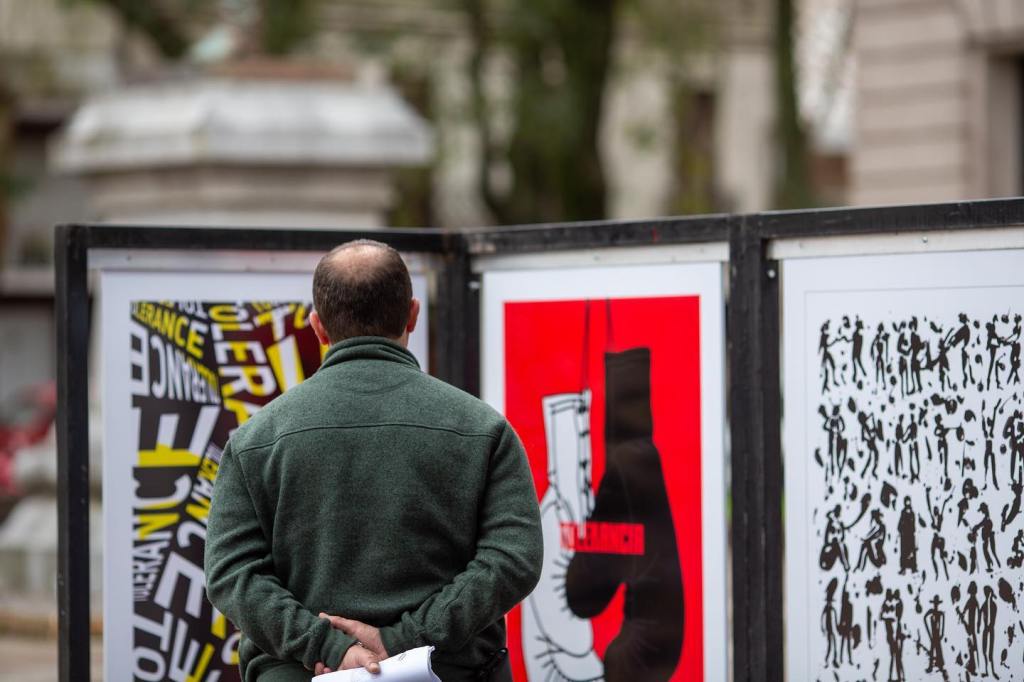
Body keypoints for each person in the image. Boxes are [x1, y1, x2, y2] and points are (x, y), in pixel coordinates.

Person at [205, 239, 543, 681]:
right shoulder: (483, 429)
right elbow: (513, 559)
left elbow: (232, 574)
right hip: (449, 671)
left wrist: (327, 646)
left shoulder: (256, 440)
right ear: (413, 315)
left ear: (318, 328)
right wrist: (403, 641)